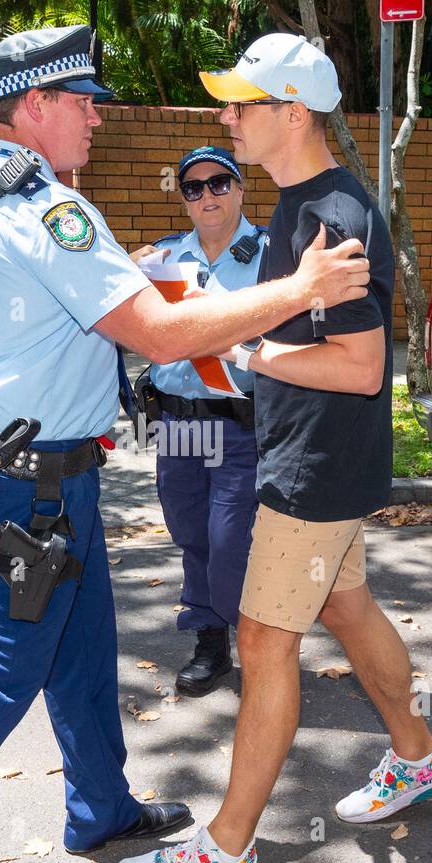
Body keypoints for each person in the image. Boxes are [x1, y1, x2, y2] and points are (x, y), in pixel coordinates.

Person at [0, 24, 371, 863]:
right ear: (37, 106)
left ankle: (101, 811)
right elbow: (164, 339)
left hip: (20, 467)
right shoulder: (55, 211)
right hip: (33, 485)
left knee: (82, 654)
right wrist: (300, 288)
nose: (97, 117)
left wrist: (47, 334)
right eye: (84, 102)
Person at [116, 32, 432, 863]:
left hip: (312, 471)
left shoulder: (331, 221)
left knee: (263, 640)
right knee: (344, 606)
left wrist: (253, 351)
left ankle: (226, 850)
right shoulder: (299, 207)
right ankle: (419, 757)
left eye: (242, 102)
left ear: (293, 111)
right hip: (316, 462)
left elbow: (362, 368)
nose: (226, 117)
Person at [141, 145, 265, 696]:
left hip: (239, 426)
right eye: (193, 188)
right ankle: (211, 645)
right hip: (179, 427)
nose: (207, 195)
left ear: (240, 188)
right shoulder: (162, 259)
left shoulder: (270, 255)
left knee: (231, 539)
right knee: (192, 534)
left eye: (219, 183)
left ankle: (265, 647)